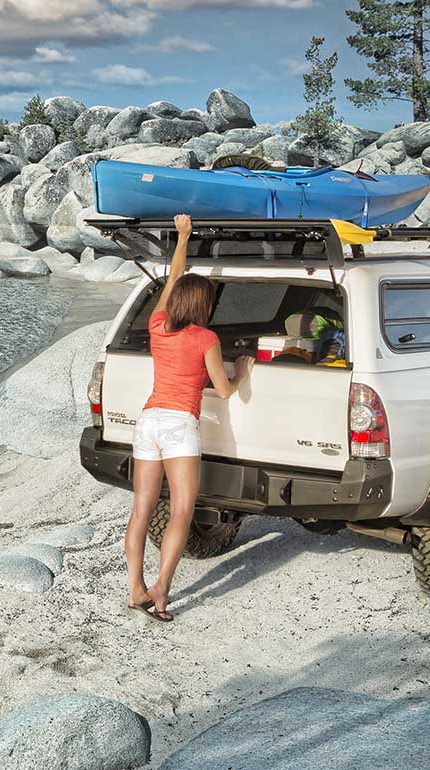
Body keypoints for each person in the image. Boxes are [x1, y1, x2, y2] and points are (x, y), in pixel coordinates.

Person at [125, 214, 254, 623]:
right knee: (181, 509)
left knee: (142, 509)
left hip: (148, 422)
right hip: (180, 426)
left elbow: (172, 277)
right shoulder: (206, 338)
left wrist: (183, 237)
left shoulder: (158, 326)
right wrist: (245, 370)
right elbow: (223, 387)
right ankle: (161, 590)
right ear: (205, 306)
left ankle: (135, 588)